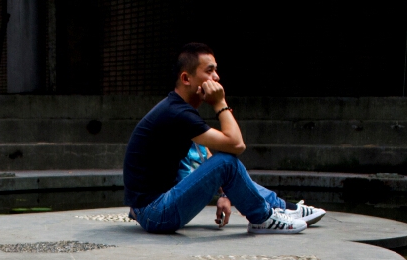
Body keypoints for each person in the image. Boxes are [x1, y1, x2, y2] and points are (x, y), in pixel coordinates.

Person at [123, 42, 325, 235]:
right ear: (186, 78)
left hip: (151, 209)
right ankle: (263, 218)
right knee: (227, 162)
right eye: (209, 71)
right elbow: (237, 145)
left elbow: (207, 160)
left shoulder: (177, 109)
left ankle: (284, 208)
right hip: (154, 213)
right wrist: (220, 103)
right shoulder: (177, 113)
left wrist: (225, 194)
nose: (217, 77)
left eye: (216, 70)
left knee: (224, 163)